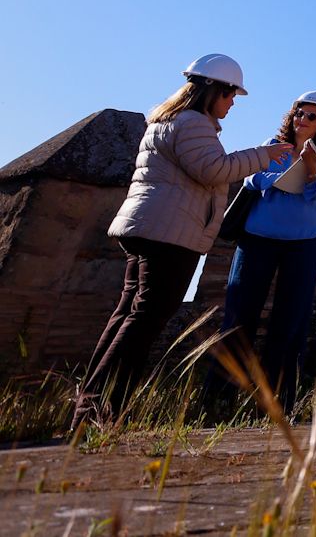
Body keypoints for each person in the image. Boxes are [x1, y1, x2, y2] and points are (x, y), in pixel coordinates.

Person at [74, 54, 292, 430]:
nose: (232, 103)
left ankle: (88, 409)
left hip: (149, 228)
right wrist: (265, 156)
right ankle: (100, 413)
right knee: (142, 322)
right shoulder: (192, 123)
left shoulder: (166, 121)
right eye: (230, 95)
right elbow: (214, 170)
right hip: (169, 233)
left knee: (127, 316)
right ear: (212, 90)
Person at [216, 90, 316, 412]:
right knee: (240, 314)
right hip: (259, 236)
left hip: (305, 240)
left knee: (290, 320)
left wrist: (310, 168)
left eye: (311, 116)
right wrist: (281, 177)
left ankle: (277, 404)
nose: (303, 119)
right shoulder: (273, 145)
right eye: (299, 112)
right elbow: (253, 178)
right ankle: (218, 401)